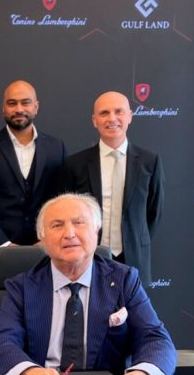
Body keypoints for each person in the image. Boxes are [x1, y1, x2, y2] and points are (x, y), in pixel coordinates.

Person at [0, 193, 176, 375]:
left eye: (79, 223)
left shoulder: (124, 280)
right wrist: (29, 371)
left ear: (96, 230)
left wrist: (144, 373)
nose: (69, 233)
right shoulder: (22, 287)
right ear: (42, 239)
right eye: (57, 225)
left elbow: (155, 338)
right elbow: (0, 341)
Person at [0, 80, 66, 345]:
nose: (19, 108)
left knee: (43, 320)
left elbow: (61, 201)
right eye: (12, 103)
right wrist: (4, 245)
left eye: (25, 102)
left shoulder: (56, 148)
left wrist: (46, 239)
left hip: (45, 251)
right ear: (3, 108)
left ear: (36, 106)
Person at [62, 91, 164, 286]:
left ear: (130, 116)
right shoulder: (74, 165)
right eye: (104, 113)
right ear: (94, 120)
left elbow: (154, 212)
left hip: (134, 259)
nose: (112, 119)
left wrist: (134, 239)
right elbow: (67, 213)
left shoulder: (149, 161)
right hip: (88, 258)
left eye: (119, 112)